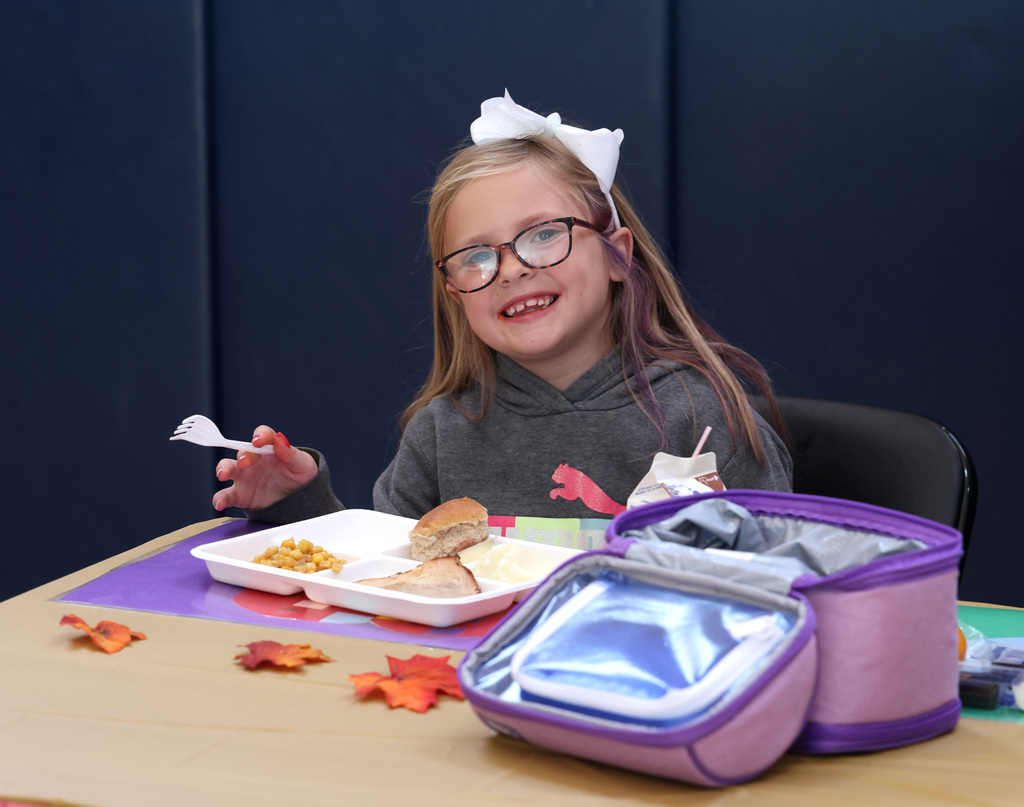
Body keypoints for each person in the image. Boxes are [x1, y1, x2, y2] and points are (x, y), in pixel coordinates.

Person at [211, 91, 792, 525]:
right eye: (476, 256)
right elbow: (386, 576)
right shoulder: (441, 433)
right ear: (454, 291)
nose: (511, 268)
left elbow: (776, 575)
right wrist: (296, 505)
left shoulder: (703, 414)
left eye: (544, 234)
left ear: (618, 255)